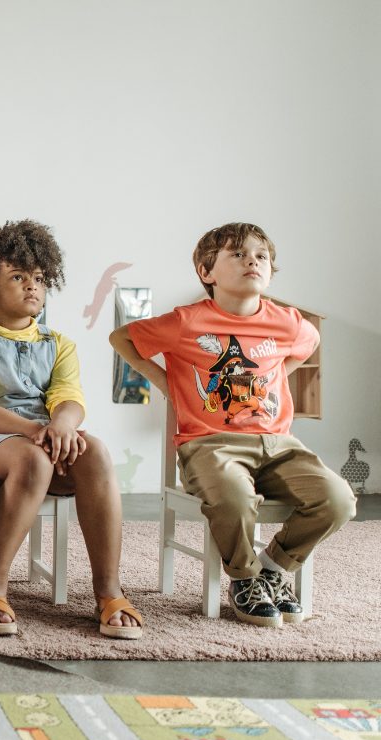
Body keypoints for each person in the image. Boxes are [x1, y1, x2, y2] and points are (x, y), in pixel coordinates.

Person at [111, 222, 355, 626]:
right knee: (234, 500)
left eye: (260, 256)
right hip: (211, 444)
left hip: (279, 444)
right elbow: (122, 338)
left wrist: (280, 372)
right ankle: (244, 578)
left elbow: (308, 343)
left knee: (339, 499)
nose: (252, 261)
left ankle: (273, 569)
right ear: (207, 272)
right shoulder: (186, 322)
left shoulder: (288, 321)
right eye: (237, 255)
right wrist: (165, 381)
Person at [0, 220, 141, 638]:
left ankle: (108, 590)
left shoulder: (60, 344)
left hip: (48, 439)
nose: (31, 285)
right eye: (17, 277)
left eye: (37, 278)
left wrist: (62, 426)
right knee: (34, 460)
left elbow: (69, 399)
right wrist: (37, 430)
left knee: (98, 452)